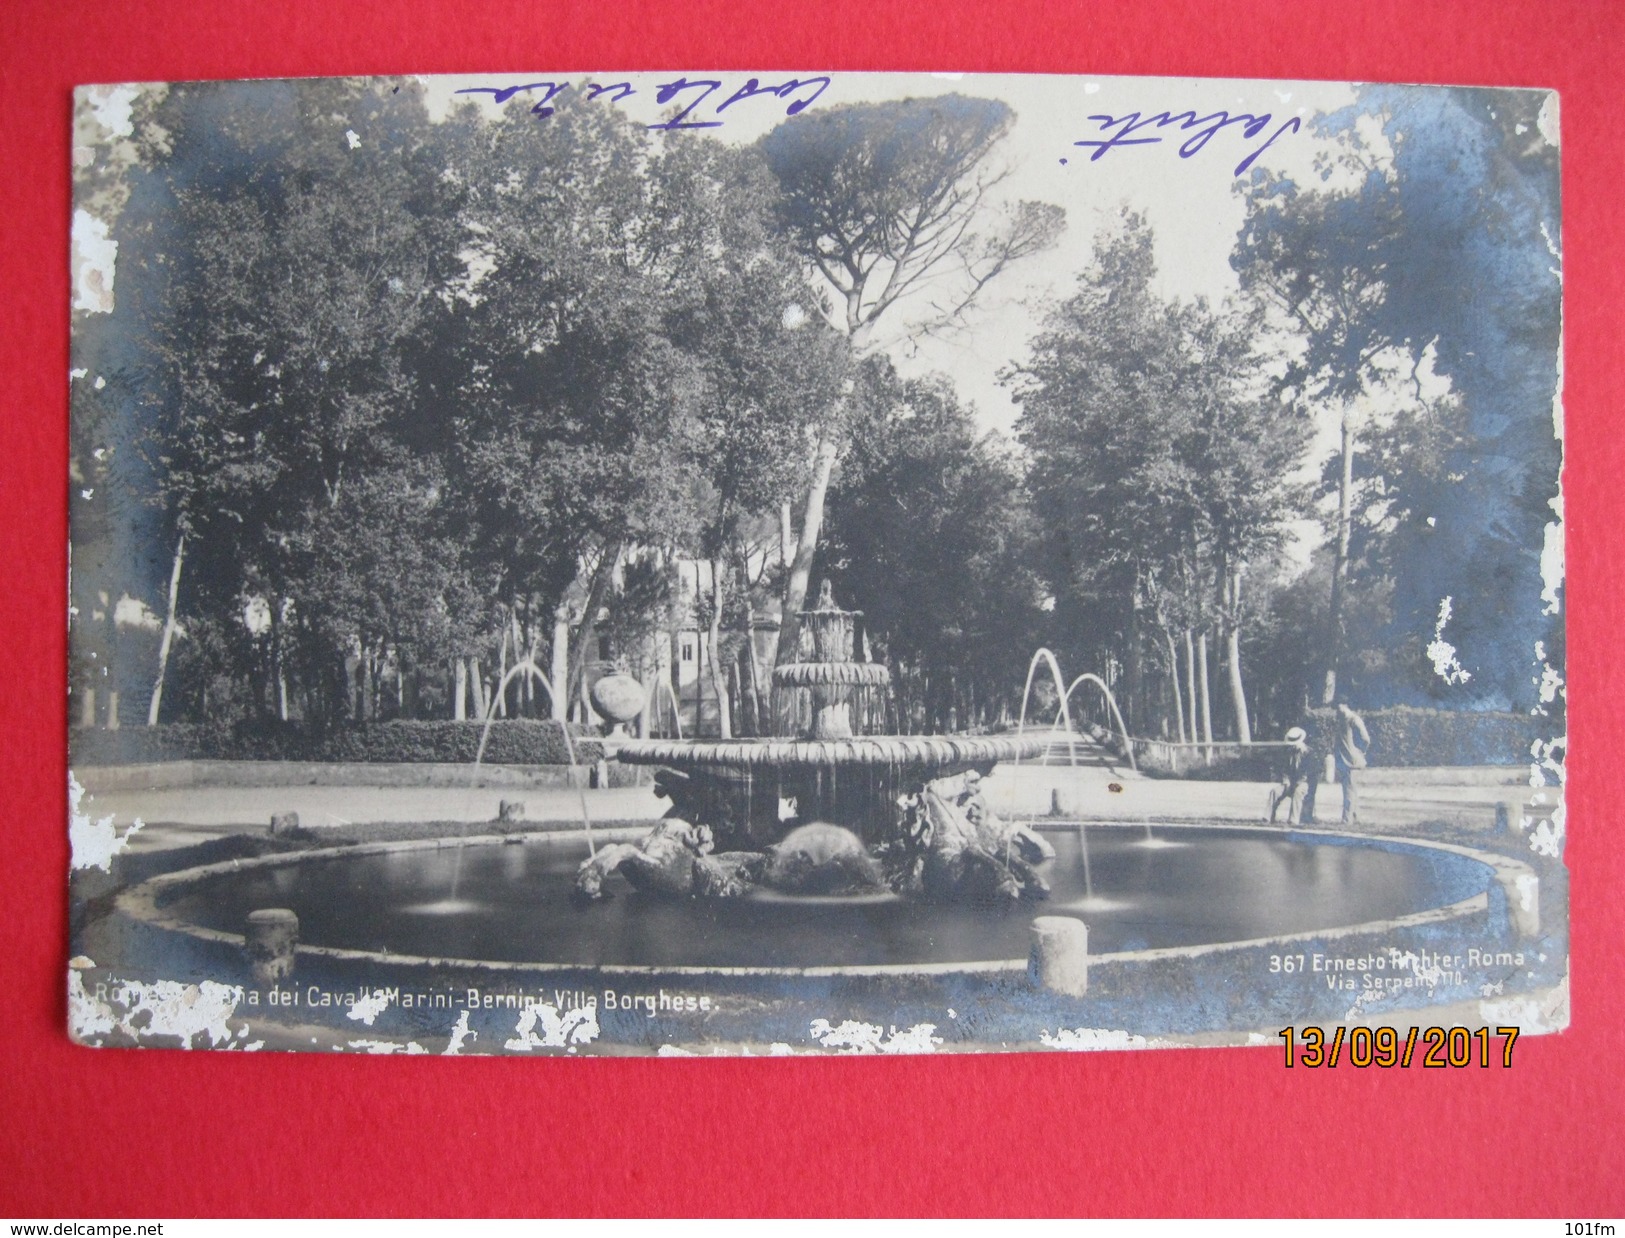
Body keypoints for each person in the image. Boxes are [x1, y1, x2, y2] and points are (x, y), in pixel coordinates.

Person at [1334, 702, 1371, 824]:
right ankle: (1356, 818)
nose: (1337, 710)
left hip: (1352, 761)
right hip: (1344, 760)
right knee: (1350, 789)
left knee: (1349, 790)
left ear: (1345, 705)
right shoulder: (1341, 719)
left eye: (1339, 706)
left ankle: (1347, 820)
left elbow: (1365, 739)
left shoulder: (1354, 719)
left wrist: (1360, 751)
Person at [1267, 726, 1310, 824]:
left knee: (1298, 792)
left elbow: (1310, 771)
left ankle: (1293, 820)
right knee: (1275, 791)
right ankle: (1268, 818)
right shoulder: (1287, 752)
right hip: (1290, 782)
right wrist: (1286, 780)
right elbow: (1284, 769)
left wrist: (1299, 782)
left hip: (1304, 783)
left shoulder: (1308, 753)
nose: (1292, 746)